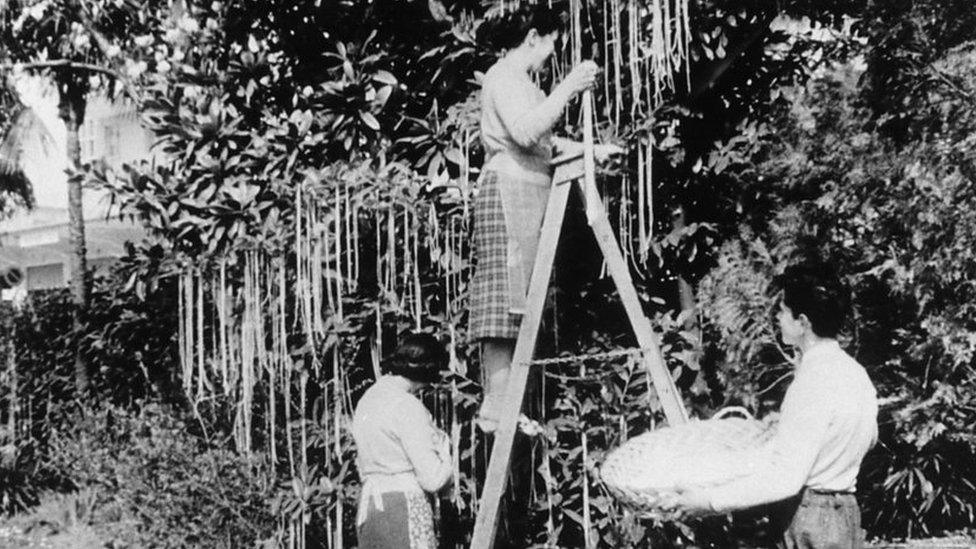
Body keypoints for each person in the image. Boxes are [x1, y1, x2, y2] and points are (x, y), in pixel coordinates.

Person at [468, 3, 619, 432]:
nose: (551, 55)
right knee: (503, 307)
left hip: (532, 193)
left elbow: (545, 145)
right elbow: (524, 132)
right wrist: (570, 86)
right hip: (507, 191)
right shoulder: (504, 77)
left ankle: (511, 403)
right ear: (533, 36)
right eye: (550, 44)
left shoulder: (527, 86)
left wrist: (594, 152)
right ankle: (495, 407)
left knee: (525, 305)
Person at [662, 262, 879, 549]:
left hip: (809, 518)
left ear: (802, 323)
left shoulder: (811, 382)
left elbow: (784, 479)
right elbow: (869, 437)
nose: (777, 317)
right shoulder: (855, 373)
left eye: (783, 310)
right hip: (845, 515)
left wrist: (708, 501)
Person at [352, 333, 453, 549]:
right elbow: (432, 479)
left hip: (370, 509)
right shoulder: (407, 406)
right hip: (401, 508)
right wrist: (446, 454)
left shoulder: (367, 400)